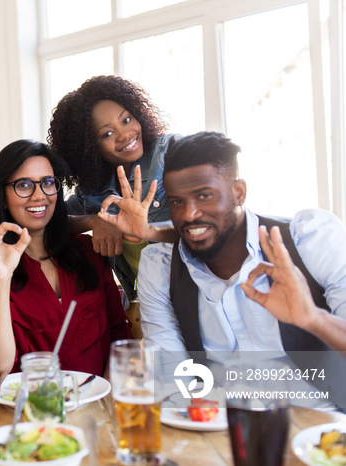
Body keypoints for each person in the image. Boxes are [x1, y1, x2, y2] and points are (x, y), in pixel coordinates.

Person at [103, 131, 346, 408]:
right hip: (219, 431)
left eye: (204, 196)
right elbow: (172, 377)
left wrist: (314, 319)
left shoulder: (310, 238)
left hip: (324, 432)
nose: (189, 214)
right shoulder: (159, 266)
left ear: (239, 192)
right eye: (176, 201)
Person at [0, 140, 131, 377]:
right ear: (2, 197)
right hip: (32, 408)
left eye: (47, 182)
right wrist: (1, 279)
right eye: (23, 185)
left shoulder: (88, 251)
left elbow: (119, 337)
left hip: (97, 404)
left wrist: (103, 399)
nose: (39, 195)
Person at [47, 75, 178, 300]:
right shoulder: (93, 188)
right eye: (107, 133)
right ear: (89, 146)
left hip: (193, 292)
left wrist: (145, 229)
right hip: (148, 305)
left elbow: (204, 225)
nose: (125, 134)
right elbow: (52, 219)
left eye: (126, 120)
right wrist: (93, 220)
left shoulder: (171, 153)